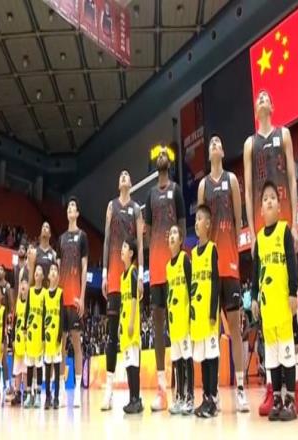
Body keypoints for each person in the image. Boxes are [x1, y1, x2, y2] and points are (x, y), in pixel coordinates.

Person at [244, 90, 298, 417]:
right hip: (262, 226)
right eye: (258, 97)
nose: (262, 98)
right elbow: (249, 190)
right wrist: (250, 230)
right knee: (269, 320)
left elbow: (293, 180)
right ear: (255, 108)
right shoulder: (250, 144)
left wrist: (295, 223)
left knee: (290, 314)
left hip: (283, 221)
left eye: (267, 96)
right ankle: (273, 390)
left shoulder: (284, 134)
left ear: (272, 106)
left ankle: (296, 388)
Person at [198, 135, 249, 412]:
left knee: (235, 331)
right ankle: (213, 392)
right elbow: (201, 225)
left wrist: (234, 253)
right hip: (210, 268)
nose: (215, 144)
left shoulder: (231, 180)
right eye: (212, 144)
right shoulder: (203, 185)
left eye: (219, 142)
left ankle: (240, 389)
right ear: (209, 154)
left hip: (229, 264)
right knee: (212, 332)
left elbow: (239, 220)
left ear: (223, 150)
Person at [251, 182, 298, 422]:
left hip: (284, 306)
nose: (269, 201)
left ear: (279, 207)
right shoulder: (259, 239)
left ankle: (291, 400)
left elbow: (292, 262)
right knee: (272, 357)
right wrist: (254, 298)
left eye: (273, 198)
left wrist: (293, 292)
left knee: (287, 355)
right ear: (261, 210)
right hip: (267, 309)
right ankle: (277, 399)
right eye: (265, 198)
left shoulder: (284, 231)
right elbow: (255, 272)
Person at [144, 145, 186, 411]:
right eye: (157, 154)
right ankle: (162, 389)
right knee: (158, 325)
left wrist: (177, 256)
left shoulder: (177, 190)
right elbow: (147, 232)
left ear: (169, 162)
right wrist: (155, 252)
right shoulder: (150, 194)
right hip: (157, 268)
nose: (161, 154)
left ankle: (182, 388)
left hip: (174, 267)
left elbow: (182, 226)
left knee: (178, 323)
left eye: (165, 153)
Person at [101, 170, 144, 411]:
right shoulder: (111, 206)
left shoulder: (136, 209)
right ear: (119, 184)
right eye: (121, 175)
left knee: (131, 335)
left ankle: (134, 395)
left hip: (130, 279)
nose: (125, 176)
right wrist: (105, 272)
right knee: (111, 335)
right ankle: (108, 391)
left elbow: (140, 244)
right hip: (115, 278)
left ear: (131, 183)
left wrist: (142, 275)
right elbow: (107, 240)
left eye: (128, 174)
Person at [57, 197, 88, 408]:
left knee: (76, 345)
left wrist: (83, 296)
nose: (70, 208)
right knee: (61, 346)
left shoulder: (82, 236)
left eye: (73, 207)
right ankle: (61, 390)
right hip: (62, 299)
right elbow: (58, 269)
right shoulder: (60, 239)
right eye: (68, 206)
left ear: (77, 214)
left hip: (75, 298)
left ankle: (76, 391)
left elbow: (84, 268)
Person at [191, 205, 219, 418]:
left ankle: (213, 399)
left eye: (200, 219)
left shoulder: (212, 249)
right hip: (197, 316)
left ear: (208, 224)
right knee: (202, 359)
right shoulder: (193, 253)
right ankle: (205, 397)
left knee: (211, 358)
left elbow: (216, 282)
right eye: (196, 219)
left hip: (209, 316)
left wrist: (212, 311)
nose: (196, 222)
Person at [166, 225, 194, 415]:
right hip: (173, 322)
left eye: (175, 233)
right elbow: (169, 295)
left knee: (187, 359)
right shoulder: (168, 266)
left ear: (181, 240)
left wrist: (191, 315)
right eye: (170, 233)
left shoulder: (185, 259)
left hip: (185, 320)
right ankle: (179, 397)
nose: (172, 236)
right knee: (177, 362)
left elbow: (191, 287)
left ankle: (189, 397)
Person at [119, 238, 143, 414]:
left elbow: (135, 298)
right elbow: (123, 303)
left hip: (132, 326)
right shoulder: (122, 276)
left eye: (125, 247)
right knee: (128, 364)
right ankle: (131, 398)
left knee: (134, 364)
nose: (122, 249)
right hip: (125, 325)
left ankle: (136, 399)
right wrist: (121, 325)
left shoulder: (134, 272)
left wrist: (131, 322)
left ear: (131, 253)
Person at [23, 265, 46, 408]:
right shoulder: (30, 291)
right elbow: (26, 311)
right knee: (29, 365)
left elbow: (45, 316)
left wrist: (43, 337)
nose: (37, 273)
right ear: (34, 276)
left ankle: (38, 394)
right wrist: (25, 329)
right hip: (30, 333)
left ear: (42, 277)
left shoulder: (44, 293)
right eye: (36, 271)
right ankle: (28, 394)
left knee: (39, 366)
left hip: (40, 335)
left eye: (40, 271)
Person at [44, 263, 64, 410]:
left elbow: (62, 315)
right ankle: (47, 397)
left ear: (57, 276)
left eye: (55, 270)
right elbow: (43, 315)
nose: (53, 272)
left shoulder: (60, 293)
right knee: (47, 370)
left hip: (56, 336)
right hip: (47, 336)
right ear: (48, 275)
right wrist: (42, 337)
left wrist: (59, 335)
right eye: (51, 269)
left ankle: (56, 397)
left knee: (56, 370)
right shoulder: (45, 294)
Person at [0, 265, 12, 399]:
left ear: (4, 272)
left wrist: (8, 324)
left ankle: (7, 384)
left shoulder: (8, 286)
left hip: (3, 325)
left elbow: (11, 305)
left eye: (1, 270)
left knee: (3, 358)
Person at [11, 274, 29, 406]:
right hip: (18, 341)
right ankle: (17, 393)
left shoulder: (30, 303)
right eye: (21, 283)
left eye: (25, 283)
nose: (23, 285)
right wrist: (12, 339)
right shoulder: (17, 303)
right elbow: (14, 323)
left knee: (25, 370)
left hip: (27, 341)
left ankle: (26, 392)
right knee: (17, 369)